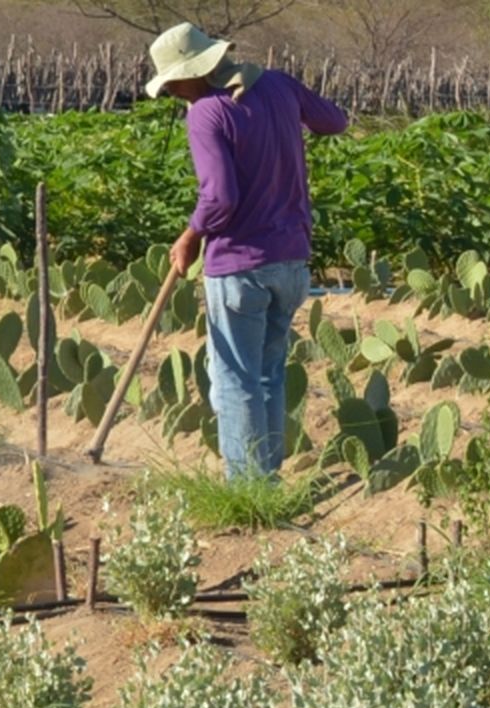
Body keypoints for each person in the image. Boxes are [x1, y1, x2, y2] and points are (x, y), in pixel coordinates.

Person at [146, 22, 349, 480]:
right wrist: (281, 103)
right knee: (269, 374)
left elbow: (220, 198)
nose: (174, 92)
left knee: (235, 380)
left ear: (195, 72)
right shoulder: (277, 84)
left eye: (175, 82)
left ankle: (247, 489)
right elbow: (335, 121)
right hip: (292, 263)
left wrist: (190, 235)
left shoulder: (206, 112)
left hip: (239, 266)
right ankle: (267, 481)